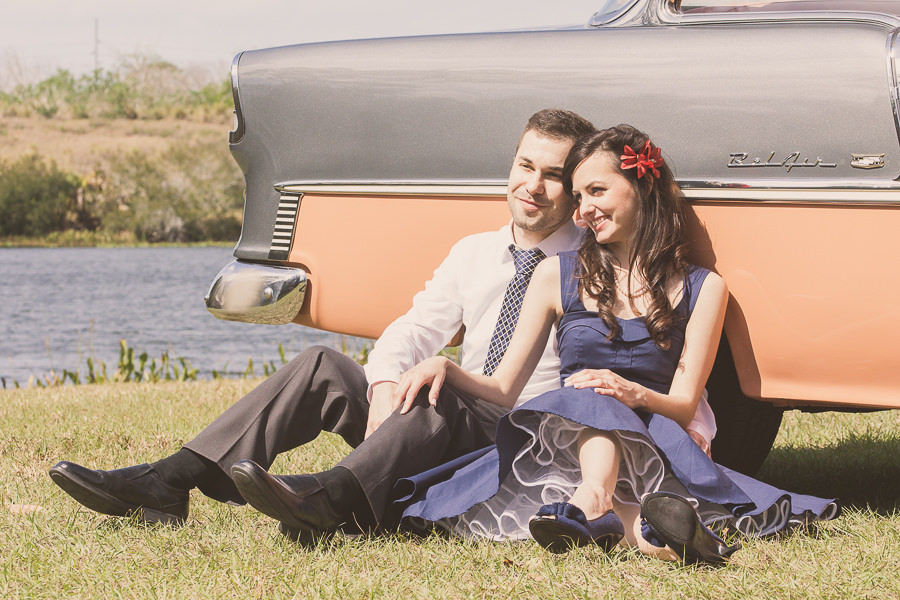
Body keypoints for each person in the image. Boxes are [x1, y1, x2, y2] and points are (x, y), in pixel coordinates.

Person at [49, 110, 714, 542]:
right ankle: (171, 479)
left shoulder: (588, 264)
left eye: (553, 176)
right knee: (324, 367)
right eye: (524, 166)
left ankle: (332, 497)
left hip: (514, 424)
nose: (533, 186)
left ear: (576, 189)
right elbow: (414, 327)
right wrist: (385, 387)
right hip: (443, 406)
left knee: (440, 388)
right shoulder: (473, 252)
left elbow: (630, 356)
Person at [391, 125, 840, 563]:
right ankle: (608, 506)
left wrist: (632, 392)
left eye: (596, 191)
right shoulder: (556, 275)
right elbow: (504, 389)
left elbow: (684, 404)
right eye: (579, 196)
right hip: (567, 443)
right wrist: (446, 368)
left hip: (656, 438)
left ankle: (622, 524)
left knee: (604, 395)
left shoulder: (706, 288)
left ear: (641, 188)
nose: (583, 209)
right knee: (591, 394)